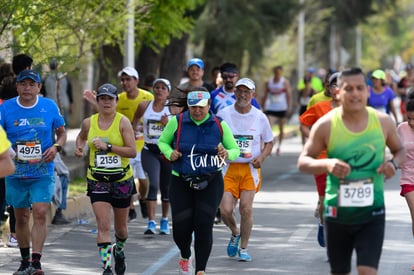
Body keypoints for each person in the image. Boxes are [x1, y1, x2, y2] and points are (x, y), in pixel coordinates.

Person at [297, 67, 405, 275]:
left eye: (360, 88)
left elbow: (399, 150)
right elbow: (303, 161)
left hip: (372, 211)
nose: (355, 93)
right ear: (338, 92)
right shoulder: (326, 125)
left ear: (367, 91)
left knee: (367, 271)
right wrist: (326, 165)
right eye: (349, 88)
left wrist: (393, 164)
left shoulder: (383, 122)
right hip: (337, 212)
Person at [158, 89, 240, 275]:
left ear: (209, 106)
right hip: (181, 181)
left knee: (203, 225)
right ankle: (186, 255)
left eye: (201, 107)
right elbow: (163, 142)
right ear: (188, 106)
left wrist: (227, 153)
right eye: (193, 107)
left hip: (210, 181)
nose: (197, 111)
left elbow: (234, 148)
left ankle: (200, 270)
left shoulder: (219, 124)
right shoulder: (177, 122)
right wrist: (170, 152)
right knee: (181, 228)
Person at [0, 70, 67, 275]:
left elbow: (62, 133)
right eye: (23, 84)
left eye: (32, 84)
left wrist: (56, 147)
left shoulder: (49, 106)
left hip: (42, 170)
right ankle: (24, 260)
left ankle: (36, 263)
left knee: (39, 212)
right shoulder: (6, 109)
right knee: (21, 217)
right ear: (18, 87)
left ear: (39, 87)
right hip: (15, 172)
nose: (27, 88)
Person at [74, 83, 136, 275]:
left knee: (121, 230)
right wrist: (79, 147)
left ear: (116, 101)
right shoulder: (89, 122)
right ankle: (107, 267)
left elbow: (132, 151)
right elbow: (81, 137)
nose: (106, 102)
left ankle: (119, 249)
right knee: (102, 225)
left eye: (110, 99)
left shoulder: (123, 122)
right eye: (103, 99)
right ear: (98, 101)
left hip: (121, 180)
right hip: (97, 179)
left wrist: (108, 147)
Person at [84, 66, 154, 221]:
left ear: (137, 81)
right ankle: (130, 208)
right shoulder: (118, 98)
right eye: (123, 80)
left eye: (128, 79)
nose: (125, 83)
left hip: (143, 145)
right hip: (121, 146)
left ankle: (142, 198)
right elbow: (105, 112)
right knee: (127, 175)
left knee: (143, 180)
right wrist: (94, 103)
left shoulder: (147, 97)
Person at [217, 78, 273, 262]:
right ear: (234, 93)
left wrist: (262, 157)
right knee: (225, 210)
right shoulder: (224, 114)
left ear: (253, 94)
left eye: (246, 92)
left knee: (246, 209)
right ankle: (235, 232)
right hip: (228, 168)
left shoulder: (259, 117)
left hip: (249, 169)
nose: (242, 95)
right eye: (239, 91)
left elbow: (269, 141)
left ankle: (243, 248)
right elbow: (215, 136)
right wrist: (220, 149)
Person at [299, 72, 340, 248]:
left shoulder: (355, 110)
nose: (338, 89)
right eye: (334, 85)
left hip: (346, 161)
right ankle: (323, 224)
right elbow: (303, 124)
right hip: (322, 159)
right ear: (328, 89)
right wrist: (315, 139)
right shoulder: (320, 107)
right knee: (324, 201)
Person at [132, 78, 172, 234]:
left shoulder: (172, 109)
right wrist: (134, 131)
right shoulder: (144, 105)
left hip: (167, 151)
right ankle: (150, 222)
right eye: (157, 87)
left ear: (168, 92)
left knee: (166, 187)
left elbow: (180, 129)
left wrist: (167, 124)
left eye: (163, 88)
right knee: (153, 184)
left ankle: (164, 220)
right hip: (149, 150)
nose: (159, 90)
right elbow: (135, 120)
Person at [396, 89, 414, 271]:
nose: (411, 122)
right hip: (408, 177)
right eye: (409, 118)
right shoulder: (401, 128)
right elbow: (395, 148)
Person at [261, 65, 292, 156]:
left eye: (279, 73)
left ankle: (279, 146)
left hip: (282, 107)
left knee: (281, 128)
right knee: (268, 127)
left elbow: (289, 95)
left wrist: (289, 107)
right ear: (274, 72)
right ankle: (269, 147)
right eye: (276, 72)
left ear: (281, 73)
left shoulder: (284, 82)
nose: (277, 74)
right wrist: (263, 106)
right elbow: (265, 95)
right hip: (271, 107)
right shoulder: (269, 82)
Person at [297, 76, 316, 145]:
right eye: (306, 83)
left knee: (311, 127)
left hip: (310, 110)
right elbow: (298, 100)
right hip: (303, 110)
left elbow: (316, 101)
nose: (307, 84)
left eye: (308, 83)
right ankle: (304, 145)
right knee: (302, 127)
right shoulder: (301, 91)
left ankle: (311, 142)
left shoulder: (313, 91)